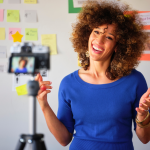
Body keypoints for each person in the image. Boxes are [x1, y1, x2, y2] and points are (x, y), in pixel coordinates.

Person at [35, 1, 150, 150]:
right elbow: (63, 140)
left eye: (109, 37)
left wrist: (143, 116)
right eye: (96, 31)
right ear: (87, 35)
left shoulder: (135, 81)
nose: (99, 40)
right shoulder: (68, 83)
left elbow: (145, 138)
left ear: (118, 46)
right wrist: (44, 104)